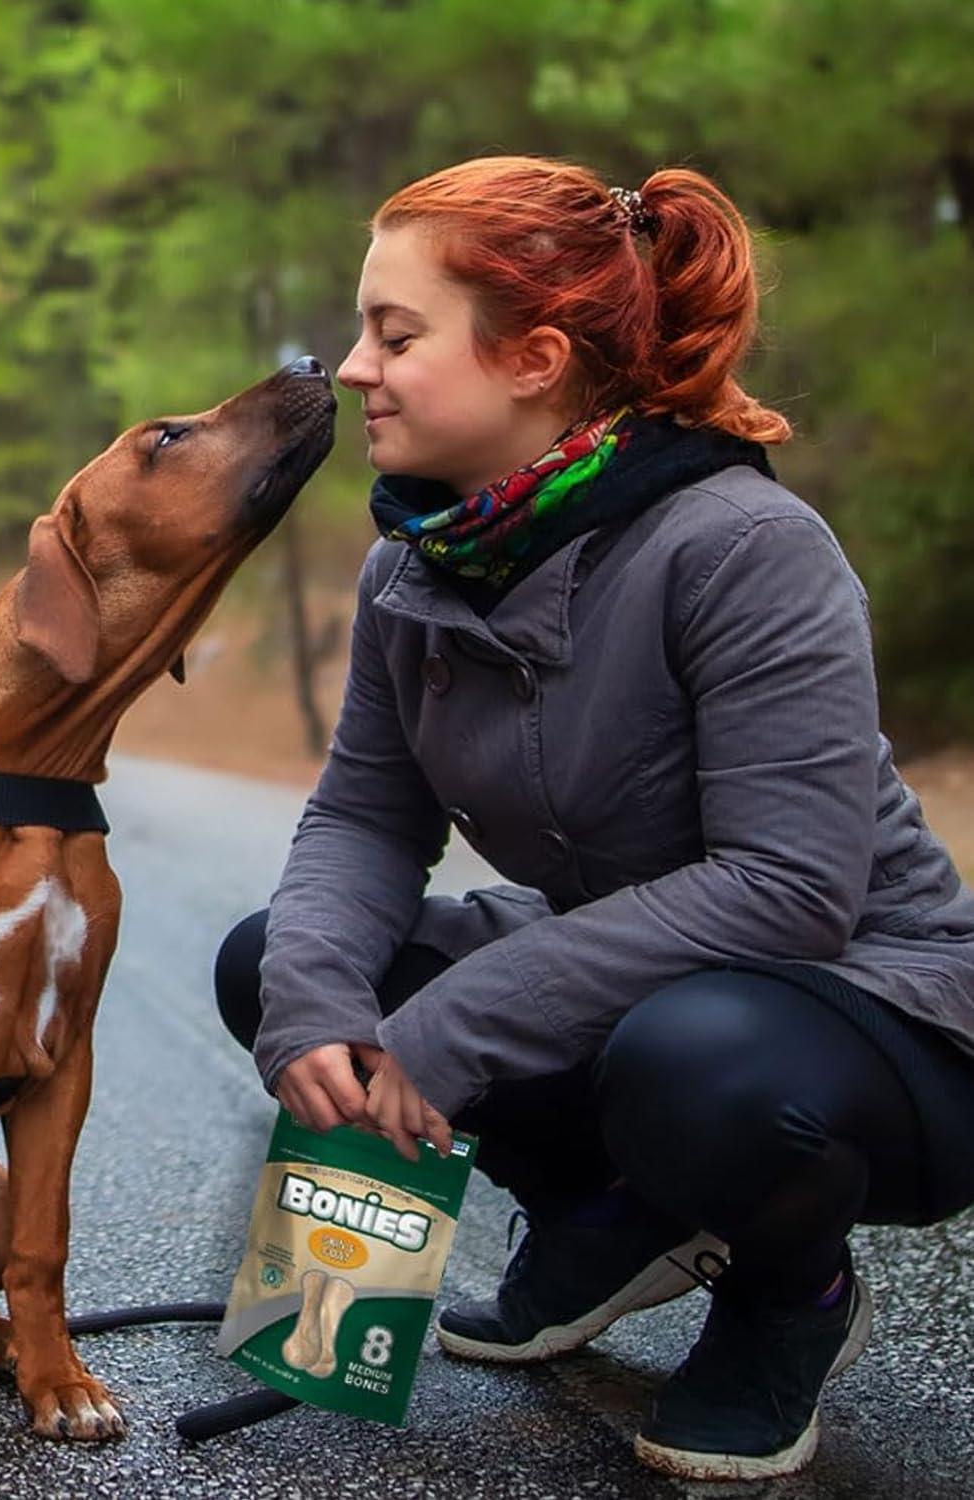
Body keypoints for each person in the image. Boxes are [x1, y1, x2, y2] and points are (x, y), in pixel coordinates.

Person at [212, 155, 974, 1483]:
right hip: (644, 985)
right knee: (275, 958)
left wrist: (459, 1022)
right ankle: (607, 1218)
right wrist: (316, 1008)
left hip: (871, 1012)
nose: (354, 368)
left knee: (696, 1063)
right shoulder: (415, 566)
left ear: (536, 360)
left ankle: (792, 1297)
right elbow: (367, 820)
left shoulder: (742, 547)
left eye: (396, 334)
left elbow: (791, 889)